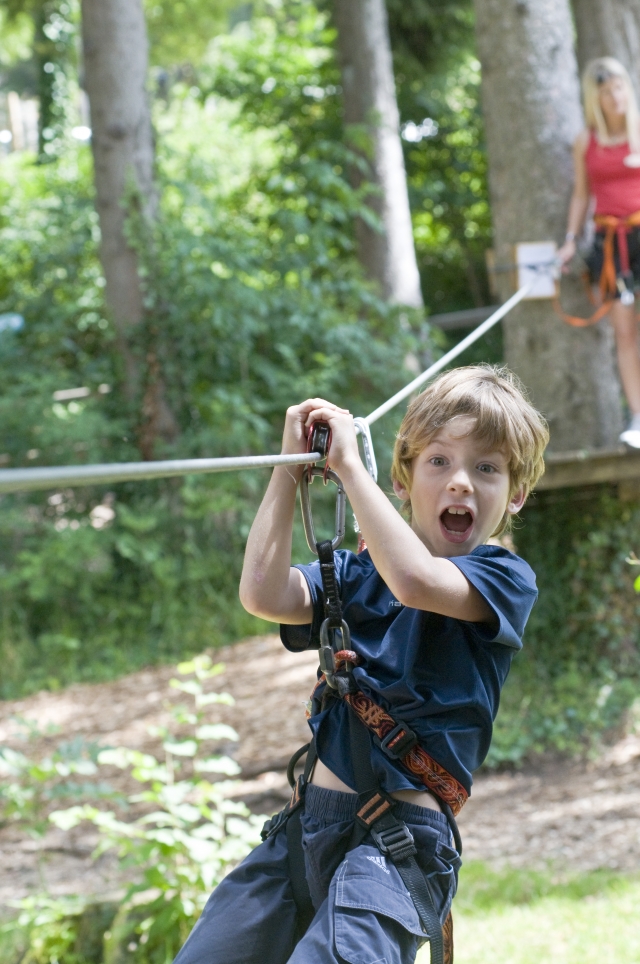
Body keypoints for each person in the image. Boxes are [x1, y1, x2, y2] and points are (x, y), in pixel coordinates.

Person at [173, 365, 549, 964]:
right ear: (402, 480)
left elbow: (414, 582)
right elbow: (263, 592)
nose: (460, 482)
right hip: (306, 830)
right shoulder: (353, 576)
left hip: (397, 849)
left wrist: (348, 469)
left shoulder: (504, 579)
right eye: (438, 462)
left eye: (487, 468)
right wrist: (289, 468)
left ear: (515, 494)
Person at [557, 57, 640, 448]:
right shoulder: (585, 142)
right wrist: (570, 239)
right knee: (624, 331)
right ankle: (638, 415)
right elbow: (581, 194)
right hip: (611, 245)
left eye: (619, 87)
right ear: (596, 98)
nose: (615, 96)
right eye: (606, 91)